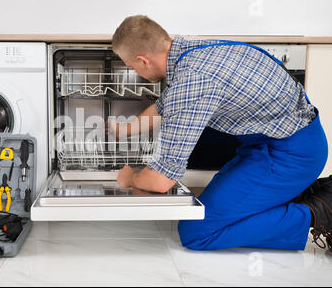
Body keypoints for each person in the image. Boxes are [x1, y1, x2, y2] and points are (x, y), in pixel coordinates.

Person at [110, 15, 332, 252]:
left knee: (198, 233)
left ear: (143, 61)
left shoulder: (192, 82)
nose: (134, 70)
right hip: (275, 143)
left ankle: (319, 211)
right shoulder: (195, 51)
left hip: (291, 155)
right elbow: (164, 107)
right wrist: (125, 129)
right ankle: (300, 193)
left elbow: (160, 181)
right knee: (222, 211)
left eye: (131, 66)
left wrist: (129, 178)